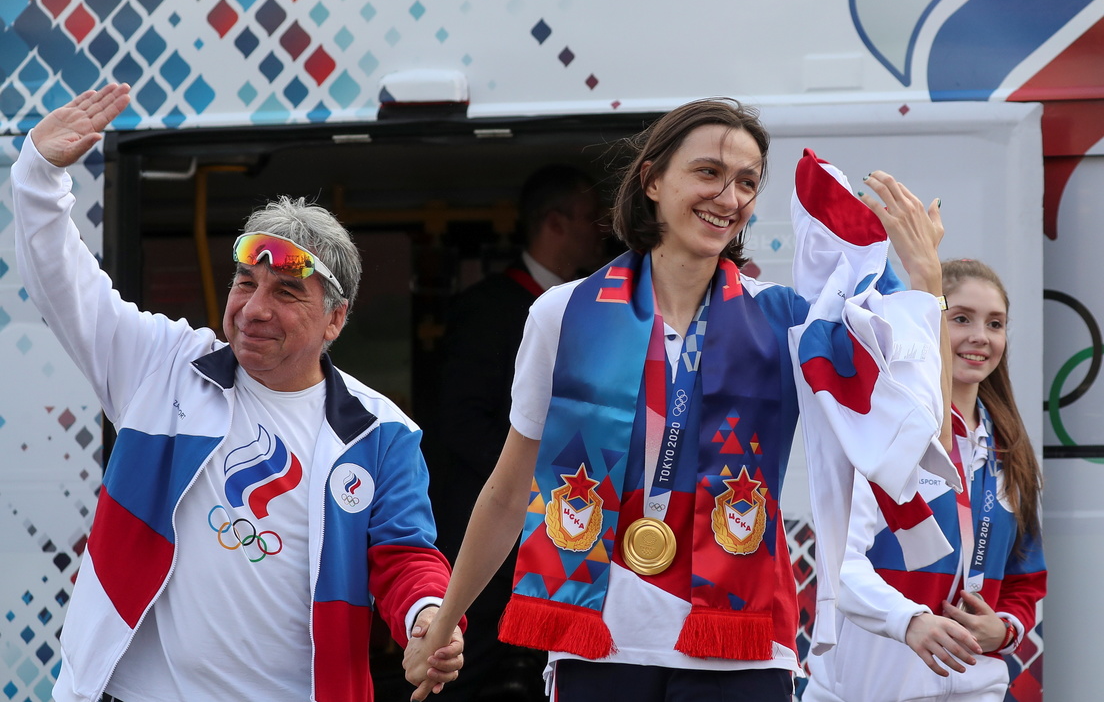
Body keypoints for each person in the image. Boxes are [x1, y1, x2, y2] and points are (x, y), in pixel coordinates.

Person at [408, 97, 952, 701]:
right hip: (601, 641)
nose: (728, 196)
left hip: (742, 647)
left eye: (746, 182)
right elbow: (509, 492)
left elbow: (917, 429)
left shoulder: (787, 322)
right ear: (652, 180)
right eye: (708, 172)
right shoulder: (562, 315)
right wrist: (447, 620)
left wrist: (926, 284)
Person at [11, 83, 463, 702]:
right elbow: (64, 285)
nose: (253, 309)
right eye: (246, 282)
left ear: (335, 319)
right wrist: (38, 174)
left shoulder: (380, 433)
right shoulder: (165, 366)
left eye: (286, 292)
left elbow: (404, 555)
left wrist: (428, 616)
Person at [803, 259, 1046, 702]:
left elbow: (1025, 578)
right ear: (927, 324)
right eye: (961, 319)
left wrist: (1004, 630)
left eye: (995, 323)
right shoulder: (886, 433)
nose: (980, 336)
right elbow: (841, 565)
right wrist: (907, 620)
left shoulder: (1009, 449)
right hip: (870, 691)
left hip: (978, 687)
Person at [432, 164, 604, 701]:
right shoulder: (487, 309)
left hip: (568, 529)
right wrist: (536, 480)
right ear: (554, 223)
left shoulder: (600, 311)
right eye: (590, 217)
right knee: (473, 671)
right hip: (494, 532)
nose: (602, 228)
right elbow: (459, 420)